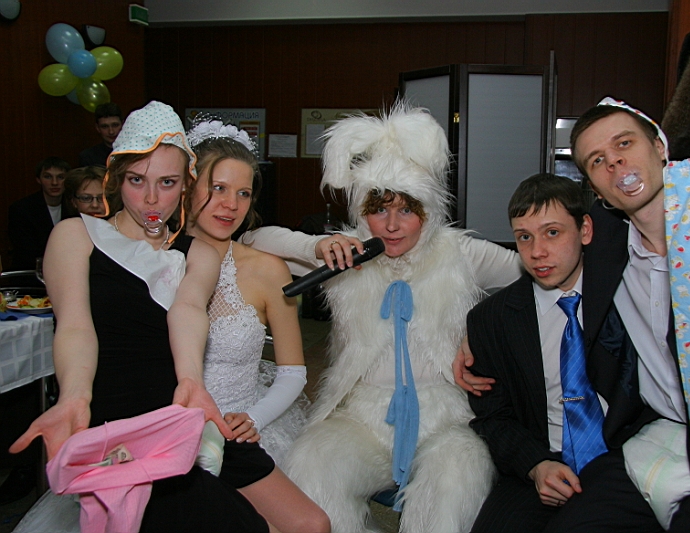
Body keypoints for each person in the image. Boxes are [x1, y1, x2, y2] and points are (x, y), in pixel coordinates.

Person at [460, 103, 690, 532]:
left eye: (624, 144)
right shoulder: (610, 245)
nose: (614, 162)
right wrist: (471, 334)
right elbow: (536, 274)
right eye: (597, 160)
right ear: (598, 192)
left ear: (660, 148)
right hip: (656, 442)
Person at [240, 101, 524, 533]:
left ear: (428, 212)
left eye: (406, 210)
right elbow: (253, 238)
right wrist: (315, 247)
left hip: (447, 417)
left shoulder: (460, 252)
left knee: (457, 481)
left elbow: (536, 270)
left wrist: (480, 335)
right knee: (311, 465)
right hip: (363, 416)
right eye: (378, 210)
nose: (391, 226)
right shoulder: (345, 252)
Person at [10, 101, 270, 533]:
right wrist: (74, 396)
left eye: (167, 182)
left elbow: (187, 309)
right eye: (137, 180)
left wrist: (191, 380)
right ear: (115, 178)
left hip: (174, 414)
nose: (151, 199)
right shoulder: (76, 235)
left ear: (186, 185)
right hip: (110, 418)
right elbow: (75, 326)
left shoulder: (199, 253)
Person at [467, 173, 664, 533]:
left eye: (552, 232)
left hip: (624, 459)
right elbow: (492, 416)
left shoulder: (627, 294)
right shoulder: (491, 319)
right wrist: (536, 465)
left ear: (585, 230)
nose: (537, 252)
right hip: (541, 461)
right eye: (524, 237)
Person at [185, 118, 330, 532]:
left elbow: (293, 371)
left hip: (245, 425)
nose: (231, 205)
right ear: (188, 186)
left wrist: (253, 418)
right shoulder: (157, 263)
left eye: (243, 193)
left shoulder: (267, 270)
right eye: (218, 188)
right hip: (174, 428)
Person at [7, 157, 70, 270]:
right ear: (38, 179)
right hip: (31, 272)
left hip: (68, 268)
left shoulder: (74, 206)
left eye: (60, 177)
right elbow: (25, 250)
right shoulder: (21, 209)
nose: (54, 183)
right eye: (48, 177)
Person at [78, 102, 123, 168]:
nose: (111, 132)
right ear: (97, 128)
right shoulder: (88, 156)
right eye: (105, 127)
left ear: (123, 124)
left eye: (115, 125)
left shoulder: (135, 151)